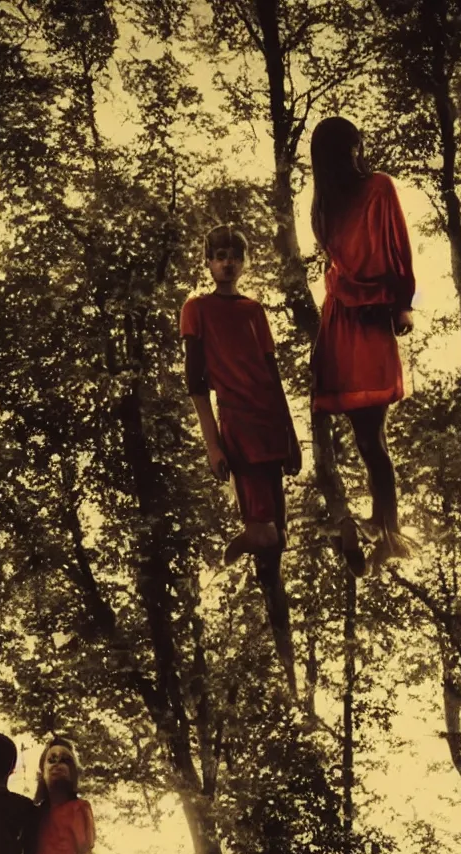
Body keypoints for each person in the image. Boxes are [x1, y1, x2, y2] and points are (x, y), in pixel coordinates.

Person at [180, 224, 301, 693]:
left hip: (271, 424)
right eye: (219, 255)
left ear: (244, 262)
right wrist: (212, 443)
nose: (227, 262)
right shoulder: (197, 309)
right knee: (264, 532)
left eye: (235, 255)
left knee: (279, 545)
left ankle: (283, 654)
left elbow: (273, 376)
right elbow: (195, 385)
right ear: (208, 262)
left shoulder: (255, 311)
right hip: (239, 426)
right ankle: (244, 542)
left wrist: (292, 438)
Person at [310, 116, 417, 573]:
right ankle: (371, 527)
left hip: (355, 321)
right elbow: (384, 250)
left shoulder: (351, 196)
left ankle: (374, 527)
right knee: (362, 435)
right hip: (355, 320)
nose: (357, 153)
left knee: (366, 435)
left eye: (358, 146)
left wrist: (402, 304)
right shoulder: (353, 195)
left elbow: (387, 251)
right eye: (352, 147)